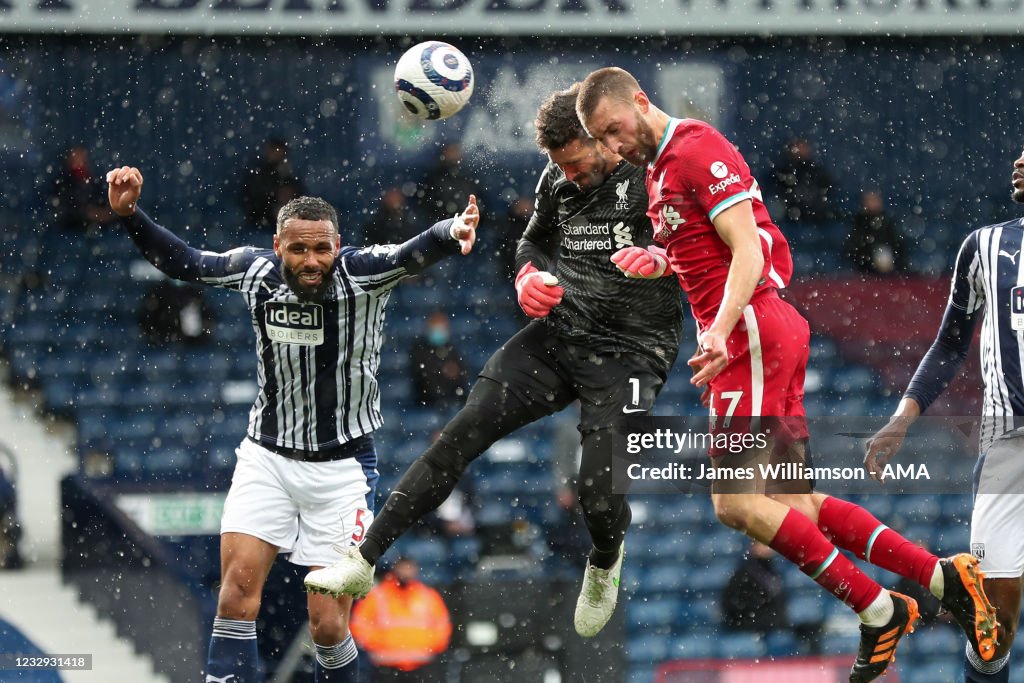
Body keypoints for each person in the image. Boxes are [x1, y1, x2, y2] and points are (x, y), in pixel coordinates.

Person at [575, 66, 998, 681]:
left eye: (613, 129)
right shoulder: (658, 170)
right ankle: (943, 577)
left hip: (750, 335)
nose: (613, 146)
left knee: (735, 504)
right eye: (601, 140)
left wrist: (719, 328)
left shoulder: (695, 148)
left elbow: (748, 249)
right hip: (760, 334)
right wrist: (660, 262)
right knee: (792, 502)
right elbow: (709, 250)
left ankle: (880, 609)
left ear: (640, 101)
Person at [305, 84, 685, 640]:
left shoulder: (658, 174)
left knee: (598, 491)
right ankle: (363, 560)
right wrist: (527, 276)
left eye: (577, 166)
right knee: (457, 436)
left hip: (631, 351)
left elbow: (709, 246)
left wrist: (660, 260)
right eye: (561, 168)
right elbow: (531, 242)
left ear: (603, 140)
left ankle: (604, 559)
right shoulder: (557, 176)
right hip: (559, 336)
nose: (570, 177)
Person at [106, 165, 478, 683]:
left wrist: (450, 230)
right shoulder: (253, 271)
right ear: (277, 245)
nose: (312, 262)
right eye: (299, 249)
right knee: (235, 595)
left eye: (322, 249)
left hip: (342, 470)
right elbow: (186, 262)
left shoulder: (362, 274)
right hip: (268, 459)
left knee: (327, 625)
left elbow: (409, 253)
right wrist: (131, 216)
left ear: (338, 245)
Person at [864, 148, 1024, 683]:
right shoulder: (984, 246)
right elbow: (949, 344)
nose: (1020, 161)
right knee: (991, 625)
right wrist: (903, 416)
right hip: (1007, 449)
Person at [349, 557, 451, 682]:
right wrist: (383, 642)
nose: (406, 572)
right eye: (403, 568)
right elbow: (359, 625)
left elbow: (442, 625)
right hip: (385, 666)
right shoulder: (377, 596)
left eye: (409, 568)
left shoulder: (428, 595)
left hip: (422, 665)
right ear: (394, 569)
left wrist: (428, 645)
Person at [408, 310, 468, 414]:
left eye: (441, 328)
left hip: (453, 401)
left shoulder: (452, 349)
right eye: (436, 328)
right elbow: (423, 378)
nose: (439, 332)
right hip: (426, 403)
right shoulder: (419, 349)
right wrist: (443, 370)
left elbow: (462, 374)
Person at [721, 541, 789, 634]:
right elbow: (732, 605)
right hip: (750, 628)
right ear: (752, 546)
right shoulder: (744, 574)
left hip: (772, 627)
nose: (768, 548)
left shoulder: (773, 571)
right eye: (763, 544)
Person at [241, 136, 307, 230]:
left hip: (282, 218)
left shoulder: (287, 171)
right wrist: (275, 198)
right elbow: (253, 195)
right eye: (274, 151)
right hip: (261, 219)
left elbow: (298, 193)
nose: (276, 154)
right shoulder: (259, 172)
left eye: (279, 151)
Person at [46, 145, 116, 234]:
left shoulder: (95, 182)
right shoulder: (61, 184)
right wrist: (87, 213)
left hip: (99, 231)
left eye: (82, 159)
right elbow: (62, 212)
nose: (79, 163)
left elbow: (109, 207)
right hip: (72, 232)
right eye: (75, 159)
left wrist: (104, 214)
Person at [771, 136, 839, 224]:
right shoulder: (782, 172)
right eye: (797, 146)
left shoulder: (816, 172)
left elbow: (829, 191)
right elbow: (778, 198)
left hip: (816, 218)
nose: (800, 150)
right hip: (791, 220)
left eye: (803, 146)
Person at [843, 190, 909, 274]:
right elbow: (852, 248)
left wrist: (890, 258)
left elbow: (899, 245)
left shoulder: (887, 222)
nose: (872, 204)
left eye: (874, 200)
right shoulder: (859, 223)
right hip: (865, 271)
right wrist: (871, 257)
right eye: (869, 200)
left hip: (890, 272)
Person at [137, 278, 216, 346]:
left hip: (191, 344)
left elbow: (209, 320)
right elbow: (146, 321)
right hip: (163, 342)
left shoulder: (195, 293)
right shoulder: (158, 291)